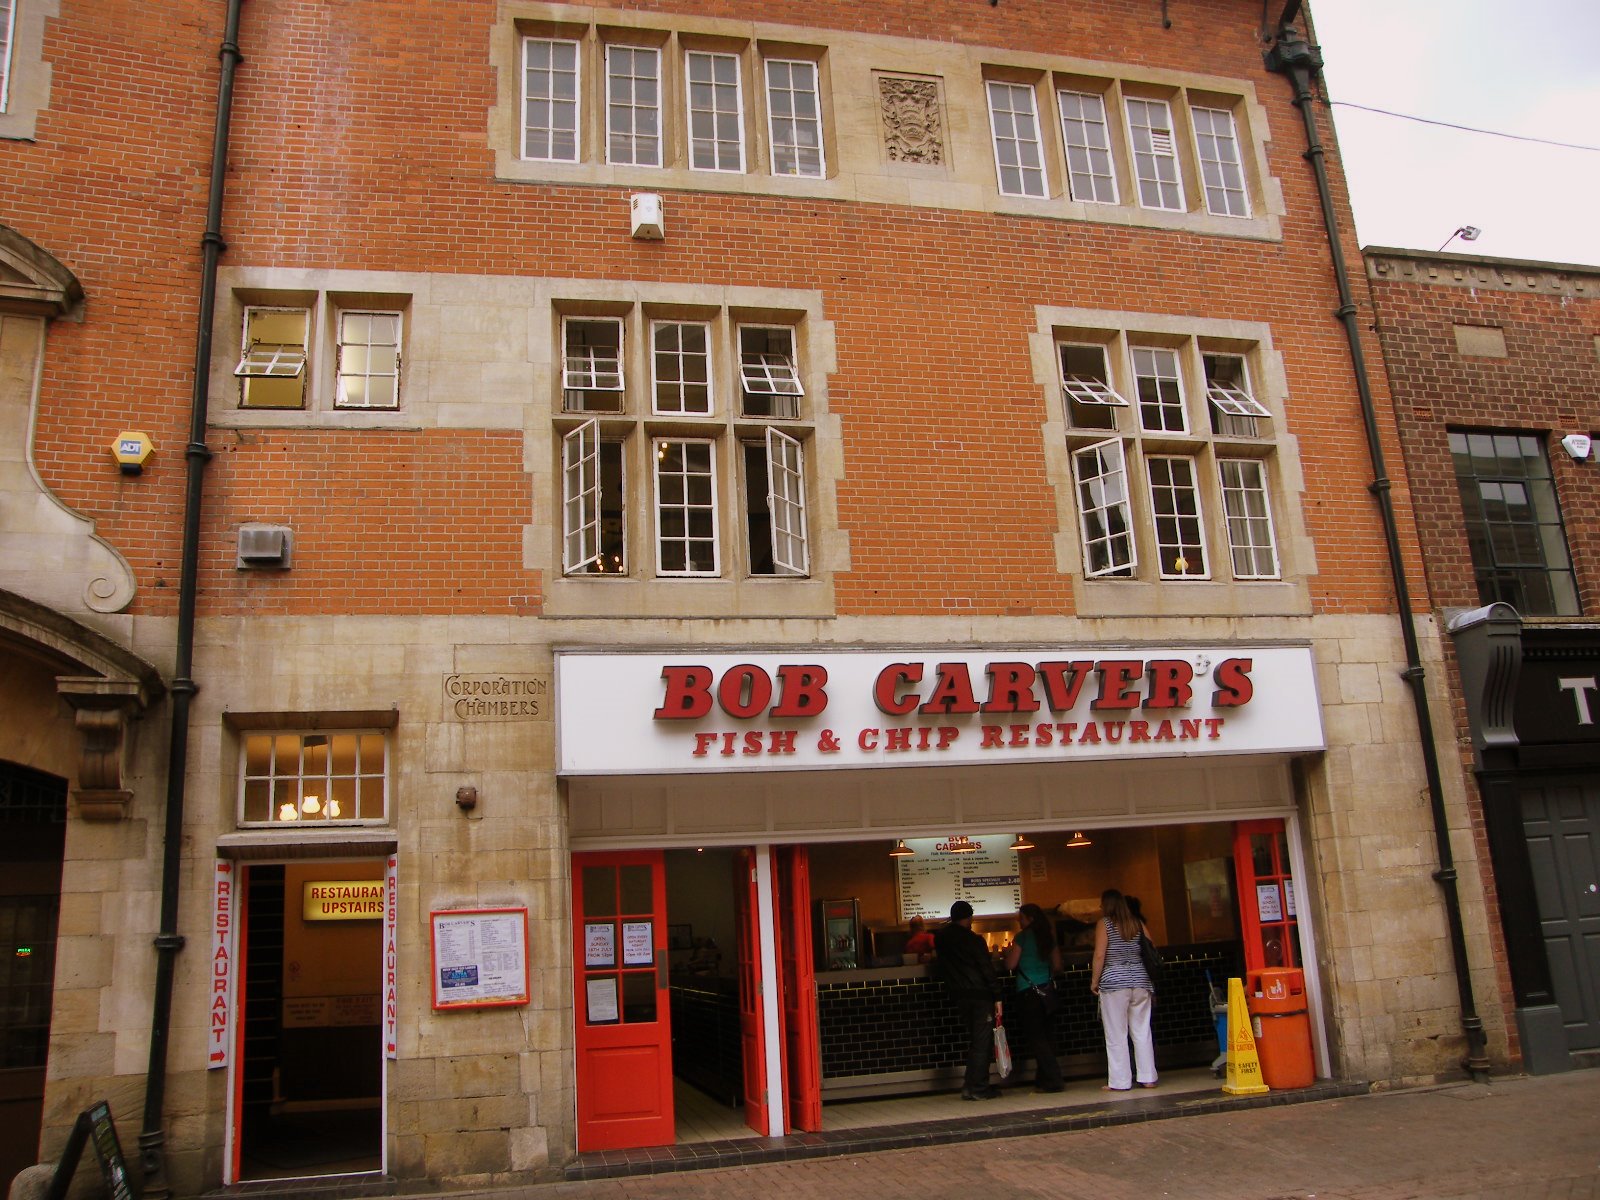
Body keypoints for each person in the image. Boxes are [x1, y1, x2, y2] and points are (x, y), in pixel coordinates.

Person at [933, 900, 1003, 1099]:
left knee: (975, 1041)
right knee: (982, 1043)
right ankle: (979, 1088)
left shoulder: (941, 938)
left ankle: (969, 1086)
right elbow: (986, 969)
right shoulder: (974, 940)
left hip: (959, 996)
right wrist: (997, 995)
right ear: (969, 917)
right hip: (980, 995)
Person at [1091, 888, 1156, 1091]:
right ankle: (1148, 1078)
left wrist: (1094, 981)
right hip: (1141, 982)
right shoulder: (1137, 923)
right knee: (1142, 1030)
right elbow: (1152, 947)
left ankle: (1120, 1081)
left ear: (1107, 905)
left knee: (1116, 1034)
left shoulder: (1105, 924)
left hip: (1114, 983)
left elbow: (1100, 955)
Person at [1002, 903, 1063, 1092]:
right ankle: (1043, 1080)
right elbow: (1058, 965)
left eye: (1021, 918)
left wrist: (1006, 955)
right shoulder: (1048, 937)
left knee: (1036, 1038)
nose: (1019, 922)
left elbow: (1011, 965)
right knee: (1046, 1036)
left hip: (1028, 992)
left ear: (1030, 919)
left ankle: (1053, 1079)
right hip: (1047, 992)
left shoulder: (1022, 937)